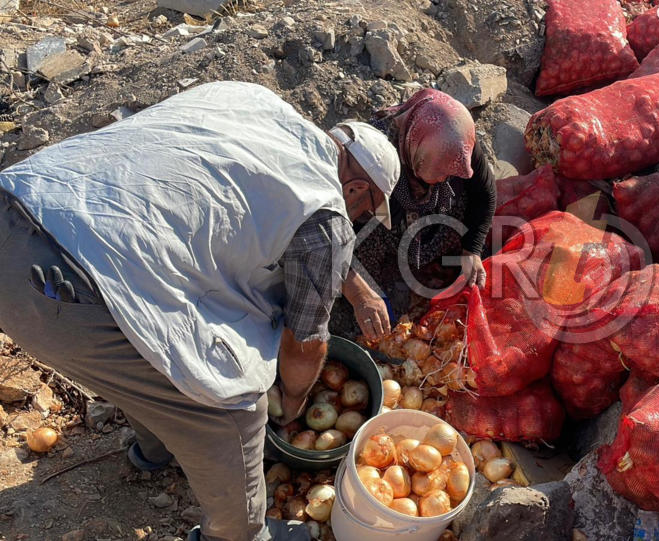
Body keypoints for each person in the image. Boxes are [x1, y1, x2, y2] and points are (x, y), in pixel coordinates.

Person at [0, 82, 400, 541]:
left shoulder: (254, 101)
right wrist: (291, 404)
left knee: (149, 356)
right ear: (353, 187)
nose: (356, 220)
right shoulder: (327, 216)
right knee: (234, 411)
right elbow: (305, 346)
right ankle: (238, 535)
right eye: (363, 211)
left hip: (21, 205)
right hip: (68, 288)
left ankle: (153, 450)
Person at [331, 89, 497, 341]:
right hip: (381, 222)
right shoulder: (374, 160)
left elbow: (485, 193)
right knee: (359, 250)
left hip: (426, 209)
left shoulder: (456, 138)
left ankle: (435, 263)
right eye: (440, 172)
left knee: (462, 195)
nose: (446, 178)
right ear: (415, 155)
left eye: (448, 174)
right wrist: (360, 294)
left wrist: (472, 249)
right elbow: (330, 235)